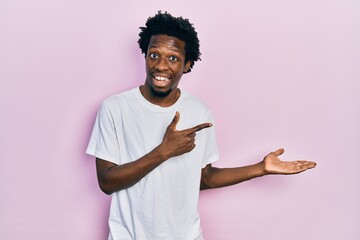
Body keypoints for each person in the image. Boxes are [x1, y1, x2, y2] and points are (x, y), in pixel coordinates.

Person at [86, 11, 316, 240]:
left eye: (173, 58)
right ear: (145, 56)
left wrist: (260, 168)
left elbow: (203, 178)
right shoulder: (114, 108)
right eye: (154, 55)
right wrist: (163, 151)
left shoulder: (198, 110)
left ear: (187, 64)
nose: (161, 66)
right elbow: (107, 182)